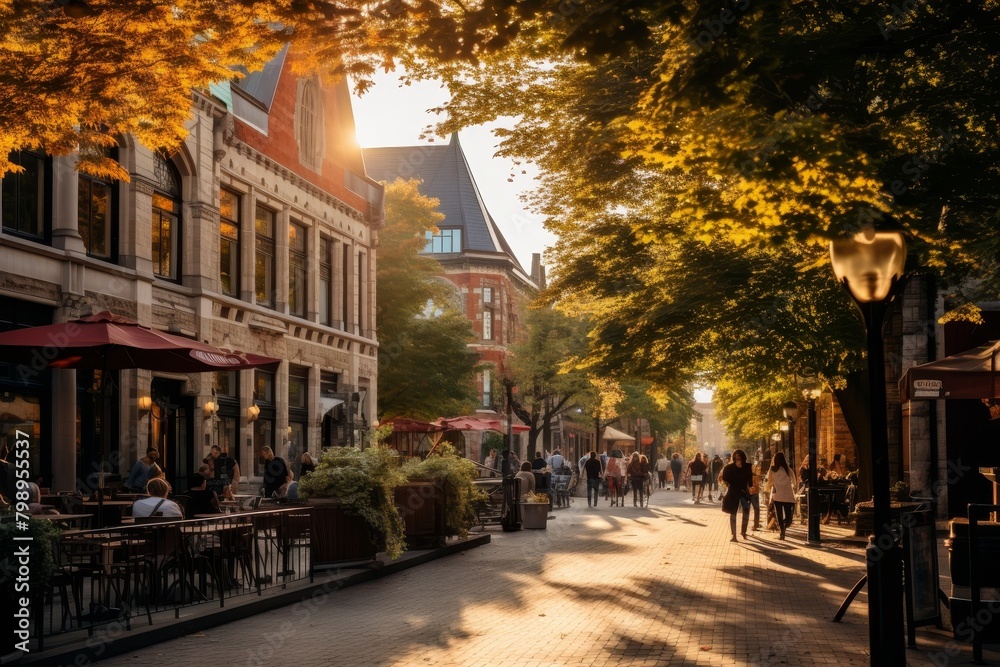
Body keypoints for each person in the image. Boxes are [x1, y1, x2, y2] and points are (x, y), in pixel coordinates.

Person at [721, 448, 754, 542]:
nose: (738, 459)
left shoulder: (747, 466)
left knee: (746, 511)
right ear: (734, 458)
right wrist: (728, 485)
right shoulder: (729, 468)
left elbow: (749, 480)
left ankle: (743, 531)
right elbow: (724, 478)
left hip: (744, 491)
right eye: (736, 457)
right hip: (733, 491)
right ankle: (734, 535)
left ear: (743, 457)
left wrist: (750, 488)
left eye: (739, 457)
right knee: (733, 513)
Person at [765, 452, 797, 540]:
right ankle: (785, 526)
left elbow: (769, 481)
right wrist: (793, 487)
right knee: (788, 515)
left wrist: (767, 489)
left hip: (777, 495)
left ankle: (782, 531)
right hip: (788, 495)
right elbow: (794, 481)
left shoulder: (772, 469)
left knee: (779, 514)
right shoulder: (788, 469)